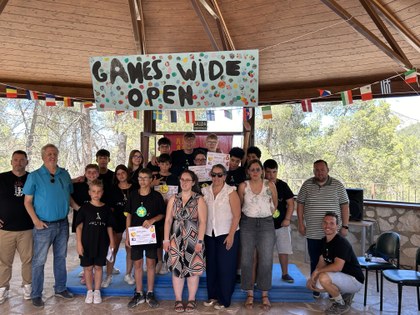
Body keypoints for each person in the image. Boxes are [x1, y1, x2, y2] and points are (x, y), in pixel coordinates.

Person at [23, 144, 74, 308]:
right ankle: (36, 294)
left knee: (60, 258)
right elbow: (27, 202)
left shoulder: (64, 174)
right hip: (43, 226)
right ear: (43, 156)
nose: (52, 156)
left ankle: (60, 288)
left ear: (58, 155)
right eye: (49, 153)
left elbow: (69, 197)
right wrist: (36, 221)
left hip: (63, 224)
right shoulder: (35, 176)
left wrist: (82, 209)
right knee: (39, 261)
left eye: (54, 153)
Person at [297, 159, 350, 298]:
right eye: (316, 170)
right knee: (315, 260)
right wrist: (301, 224)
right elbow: (300, 204)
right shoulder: (307, 185)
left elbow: (345, 206)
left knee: (334, 263)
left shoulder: (338, 185)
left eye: (322, 169)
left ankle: (333, 289)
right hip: (313, 232)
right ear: (313, 171)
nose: (319, 172)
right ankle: (315, 288)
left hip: (333, 234)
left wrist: (345, 226)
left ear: (328, 170)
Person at [163, 170, 207, 313]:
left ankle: (192, 299)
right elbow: (168, 220)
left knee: (192, 270)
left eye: (188, 180)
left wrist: (200, 241)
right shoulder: (173, 198)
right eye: (182, 179)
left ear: (193, 182)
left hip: (193, 238)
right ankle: (178, 299)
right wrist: (165, 239)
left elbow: (203, 222)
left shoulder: (199, 199)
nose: (184, 182)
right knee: (177, 270)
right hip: (175, 238)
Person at [237, 159, 277, 310]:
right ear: (248, 171)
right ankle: (250, 293)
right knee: (247, 259)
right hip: (247, 224)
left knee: (266, 259)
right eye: (252, 169)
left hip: (266, 224)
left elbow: (274, 203)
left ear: (262, 171)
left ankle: (265, 294)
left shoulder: (270, 185)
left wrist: (267, 213)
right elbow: (240, 205)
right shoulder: (243, 186)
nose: (255, 172)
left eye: (258, 169)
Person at [307, 212, 364, 314]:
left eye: (331, 223)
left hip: (355, 280)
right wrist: (312, 278)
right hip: (342, 277)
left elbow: (338, 267)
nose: (327, 225)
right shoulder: (324, 241)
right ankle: (345, 293)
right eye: (325, 222)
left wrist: (318, 272)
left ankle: (341, 304)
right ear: (322, 224)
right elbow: (321, 262)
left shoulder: (341, 243)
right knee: (316, 285)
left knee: (323, 277)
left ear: (337, 226)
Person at [202, 164, 240, 310]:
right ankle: (212, 296)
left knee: (226, 267)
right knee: (211, 266)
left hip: (226, 234)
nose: (216, 178)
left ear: (225, 176)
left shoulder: (231, 192)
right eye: (214, 175)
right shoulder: (205, 191)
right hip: (209, 234)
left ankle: (225, 299)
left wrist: (231, 235)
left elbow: (237, 216)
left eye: (219, 175)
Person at [125, 168, 166, 309]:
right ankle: (138, 293)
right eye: (140, 178)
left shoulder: (157, 196)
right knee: (137, 265)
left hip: (150, 236)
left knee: (150, 264)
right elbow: (129, 215)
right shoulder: (132, 196)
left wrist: (152, 219)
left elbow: (162, 214)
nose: (142, 180)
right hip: (136, 235)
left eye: (145, 178)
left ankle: (150, 292)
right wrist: (127, 235)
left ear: (151, 180)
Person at [0, 150, 33, 304]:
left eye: (22, 160)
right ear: (11, 161)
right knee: (4, 261)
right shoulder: (2, 178)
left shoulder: (33, 178)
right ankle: (2, 289)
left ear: (26, 162)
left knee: (28, 260)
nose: (18, 162)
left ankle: (28, 287)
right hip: (5, 229)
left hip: (27, 228)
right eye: (15, 159)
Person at [75, 180, 115, 304]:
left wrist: (112, 242)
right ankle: (89, 291)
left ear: (102, 193)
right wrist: (79, 243)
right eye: (93, 191)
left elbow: (109, 227)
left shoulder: (106, 209)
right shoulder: (84, 208)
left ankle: (97, 291)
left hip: (101, 243)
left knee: (98, 267)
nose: (96, 194)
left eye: (98, 192)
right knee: (87, 268)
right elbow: (79, 227)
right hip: (86, 243)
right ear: (89, 192)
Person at [102, 165, 136, 287]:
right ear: (115, 176)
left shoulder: (135, 188)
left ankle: (128, 274)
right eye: (118, 174)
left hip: (131, 222)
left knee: (130, 249)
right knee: (113, 249)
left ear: (127, 173)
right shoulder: (112, 189)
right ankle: (108, 276)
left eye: (123, 173)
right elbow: (109, 208)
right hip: (116, 222)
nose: (121, 175)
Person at [263, 159, 295, 283]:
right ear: (263, 172)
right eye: (268, 172)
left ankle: (285, 273)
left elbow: (291, 204)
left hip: (282, 225)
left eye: (274, 172)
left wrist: (287, 219)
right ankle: (263, 275)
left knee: (284, 250)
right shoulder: (260, 185)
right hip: (265, 226)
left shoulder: (282, 185)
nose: (271, 175)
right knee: (264, 252)